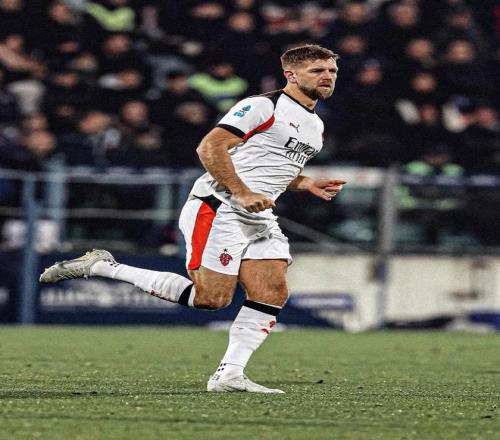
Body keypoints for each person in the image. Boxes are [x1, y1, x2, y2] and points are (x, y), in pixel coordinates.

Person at [40, 44, 346, 394]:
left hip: (258, 215)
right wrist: (241, 192)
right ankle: (101, 266)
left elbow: (267, 165)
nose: (327, 77)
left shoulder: (315, 124)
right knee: (211, 299)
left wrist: (304, 182)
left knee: (272, 290)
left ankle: (229, 375)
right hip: (220, 206)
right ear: (290, 74)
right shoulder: (263, 106)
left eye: (331, 71)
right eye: (317, 71)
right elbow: (210, 147)